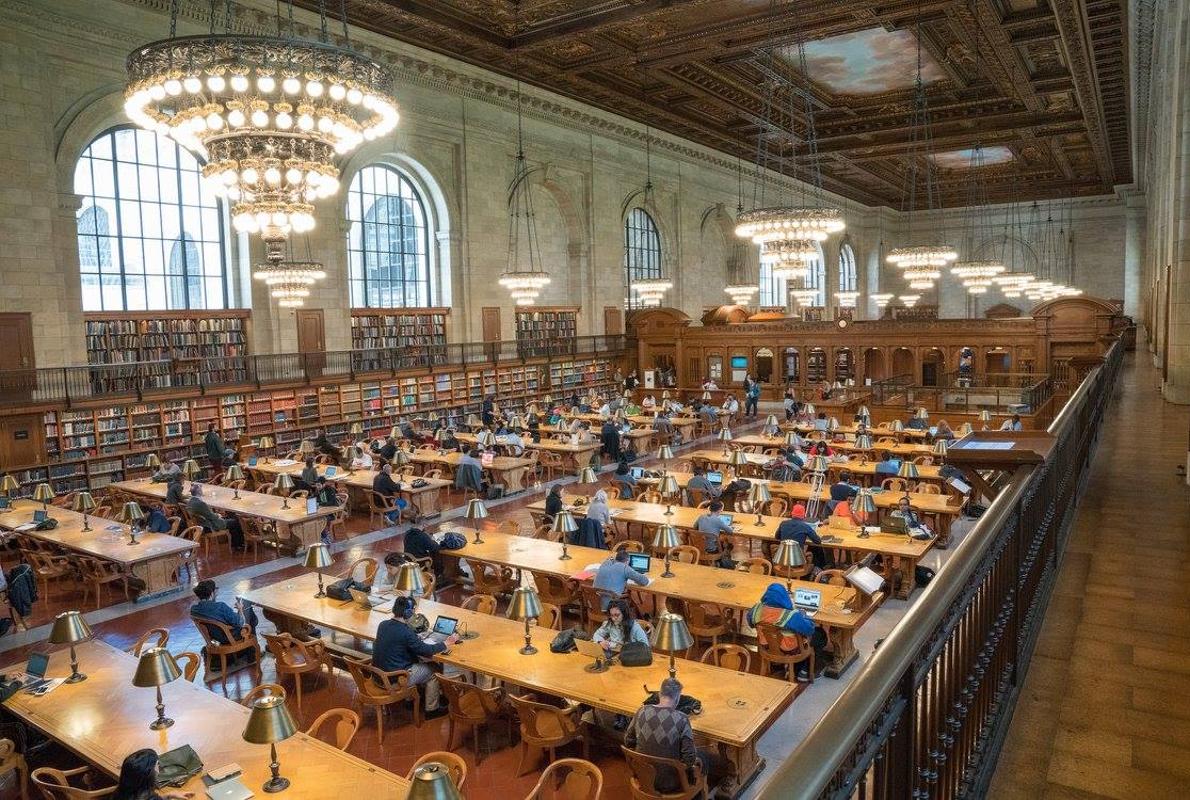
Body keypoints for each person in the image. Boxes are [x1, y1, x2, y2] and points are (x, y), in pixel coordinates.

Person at [373, 596, 458, 718]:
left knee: (412, 660)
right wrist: (447, 643)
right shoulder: (406, 632)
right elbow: (427, 651)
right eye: (413, 610)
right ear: (408, 612)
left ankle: (410, 701)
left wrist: (414, 640)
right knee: (434, 669)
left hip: (379, 676)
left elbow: (397, 643)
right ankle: (432, 709)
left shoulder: (383, 625)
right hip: (394, 681)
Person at [624, 678, 709, 793]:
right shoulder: (682, 719)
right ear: (677, 699)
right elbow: (689, 759)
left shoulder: (641, 711)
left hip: (642, 776)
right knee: (704, 757)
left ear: (659, 694)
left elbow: (628, 741)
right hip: (671, 782)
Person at [746, 582, 827, 681]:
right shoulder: (790, 615)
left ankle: (777, 666)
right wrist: (804, 615)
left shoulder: (756, 609)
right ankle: (806, 671)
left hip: (766, 646)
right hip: (788, 649)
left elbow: (750, 623)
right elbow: (809, 630)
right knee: (819, 634)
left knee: (777, 637)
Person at [191, 579, 253, 646]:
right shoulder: (220, 606)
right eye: (216, 589)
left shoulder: (194, 609)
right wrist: (240, 609)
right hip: (230, 637)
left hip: (215, 640)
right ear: (212, 593)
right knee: (249, 611)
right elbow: (240, 623)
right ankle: (251, 648)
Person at [114, 748, 191, 800]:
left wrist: (168, 795)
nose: (159, 767)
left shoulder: (122, 791)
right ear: (149, 774)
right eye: (157, 764)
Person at [187, 483, 244, 550]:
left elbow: (208, 514)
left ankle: (235, 544)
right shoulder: (200, 503)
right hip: (210, 526)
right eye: (201, 489)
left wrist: (217, 515)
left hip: (202, 524)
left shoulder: (190, 501)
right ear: (199, 491)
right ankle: (239, 545)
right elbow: (211, 516)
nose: (202, 490)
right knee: (235, 522)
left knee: (230, 518)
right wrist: (218, 515)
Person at [776, 503, 825, 568]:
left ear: (792, 513)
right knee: (816, 548)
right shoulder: (805, 526)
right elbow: (818, 541)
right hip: (797, 560)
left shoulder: (783, 524)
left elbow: (777, 537)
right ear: (804, 515)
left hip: (783, 558)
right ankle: (817, 570)